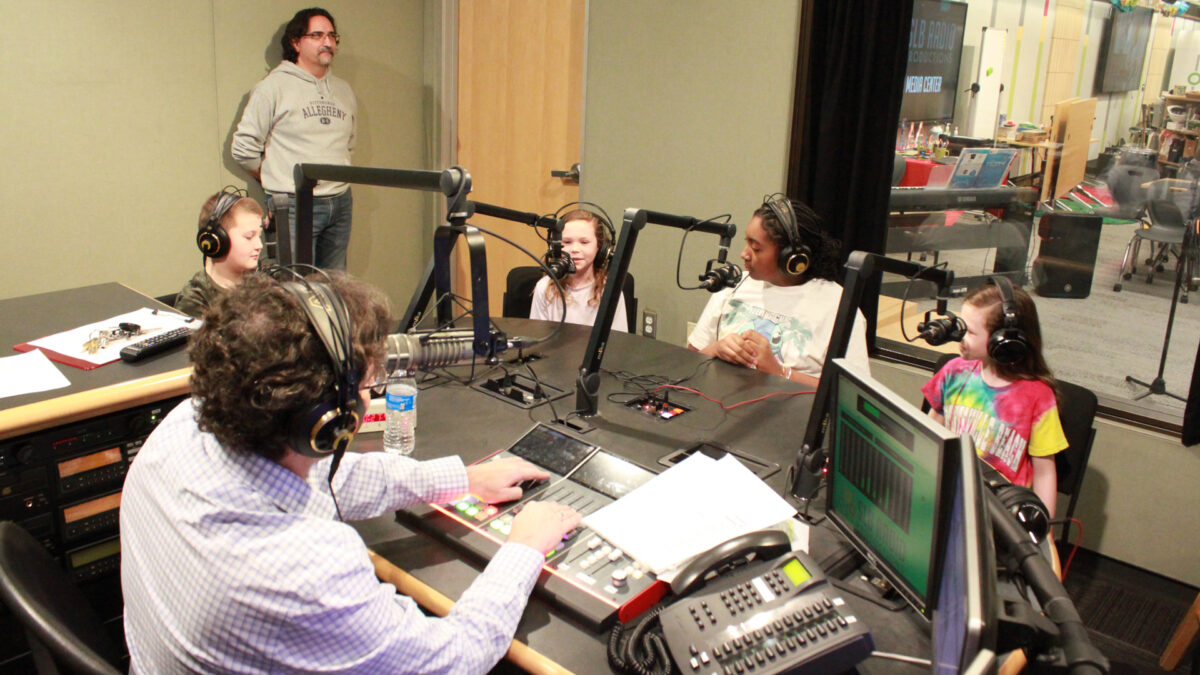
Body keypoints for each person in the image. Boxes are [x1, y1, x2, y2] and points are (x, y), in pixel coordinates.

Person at [122, 271, 581, 673]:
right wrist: (522, 549)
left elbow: (325, 476)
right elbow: (457, 657)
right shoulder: (307, 575)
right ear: (324, 425)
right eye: (366, 387)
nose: (368, 398)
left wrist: (462, 480)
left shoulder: (183, 427)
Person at [687, 194, 868, 386]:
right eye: (746, 242)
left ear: (791, 258)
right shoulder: (733, 284)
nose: (744, 254)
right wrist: (716, 349)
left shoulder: (837, 307)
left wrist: (779, 372)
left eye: (756, 248)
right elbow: (690, 359)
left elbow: (848, 393)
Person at [922, 277, 1067, 516]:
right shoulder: (953, 372)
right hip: (948, 497)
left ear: (1005, 341)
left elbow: (1044, 473)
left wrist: (1043, 532)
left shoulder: (1038, 398)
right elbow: (930, 430)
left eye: (969, 331)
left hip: (999, 512)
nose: (960, 337)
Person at [232, 7, 356, 270]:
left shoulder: (344, 90)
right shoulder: (272, 87)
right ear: (296, 42)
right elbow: (243, 148)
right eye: (318, 35)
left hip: (340, 201)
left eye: (333, 36)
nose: (328, 42)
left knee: (335, 288)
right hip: (294, 204)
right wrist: (274, 180)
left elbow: (349, 144)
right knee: (294, 288)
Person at [529, 208, 629, 332]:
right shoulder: (544, 288)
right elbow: (538, 339)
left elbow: (618, 343)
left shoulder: (610, 291)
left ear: (601, 248)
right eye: (567, 242)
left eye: (584, 242)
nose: (575, 249)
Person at [174, 190, 265, 318]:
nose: (259, 245)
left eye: (259, 236)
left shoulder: (262, 285)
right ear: (218, 240)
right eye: (249, 237)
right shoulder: (195, 302)